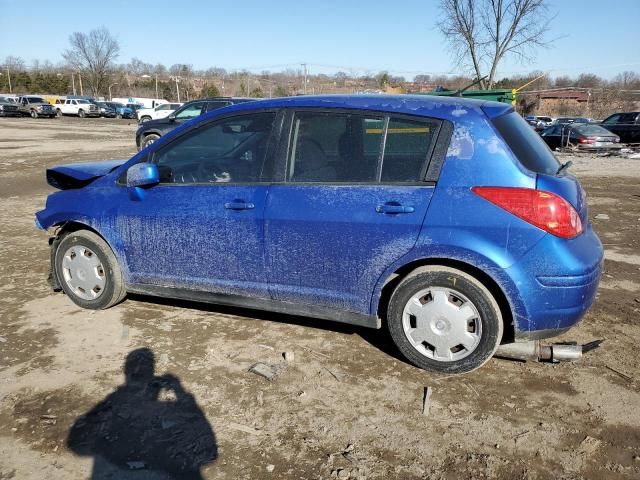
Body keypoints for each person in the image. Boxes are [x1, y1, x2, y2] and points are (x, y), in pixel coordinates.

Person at [67, 348, 217, 479]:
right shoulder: (119, 401)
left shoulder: (117, 401)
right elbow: (209, 451)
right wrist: (179, 391)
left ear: (127, 372)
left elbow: (76, 442)